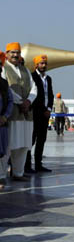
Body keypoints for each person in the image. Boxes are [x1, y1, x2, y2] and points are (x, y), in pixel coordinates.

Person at [1, 42, 37, 181]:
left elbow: (34, 88)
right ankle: (1, 174)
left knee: (23, 145)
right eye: (12, 52)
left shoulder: (25, 70)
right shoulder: (3, 69)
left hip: (26, 114)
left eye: (17, 53)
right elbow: (6, 89)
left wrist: (28, 101)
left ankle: (18, 173)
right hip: (12, 114)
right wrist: (21, 102)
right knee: (8, 145)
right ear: (7, 54)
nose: (15, 55)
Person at [25, 55, 54, 173]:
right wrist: (43, 110)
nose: (44, 66)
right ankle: (26, 165)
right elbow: (34, 96)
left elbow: (50, 96)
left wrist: (49, 109)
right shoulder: (32, 77)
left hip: (45, 114)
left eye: (45, 63)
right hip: (35, 113)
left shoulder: (48, 79)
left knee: (42, 139)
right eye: (41, 63)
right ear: (36, 65)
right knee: (31, 140)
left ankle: (38, 164)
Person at [0, 51, 14, 189]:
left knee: (1, 152)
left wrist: (5, 116)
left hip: (2, 123)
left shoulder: (4, 84)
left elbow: (10, 101)